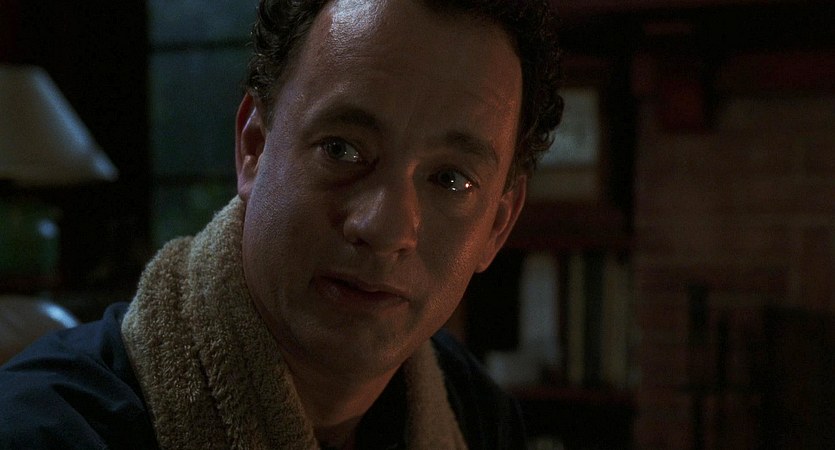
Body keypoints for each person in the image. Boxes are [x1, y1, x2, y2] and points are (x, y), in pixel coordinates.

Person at [0, 0, 562, 448]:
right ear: (254, 145)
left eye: (451, 180)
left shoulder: (475, 413)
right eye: (342, 149)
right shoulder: (46, 430)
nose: (385, 227)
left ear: (497, 226)